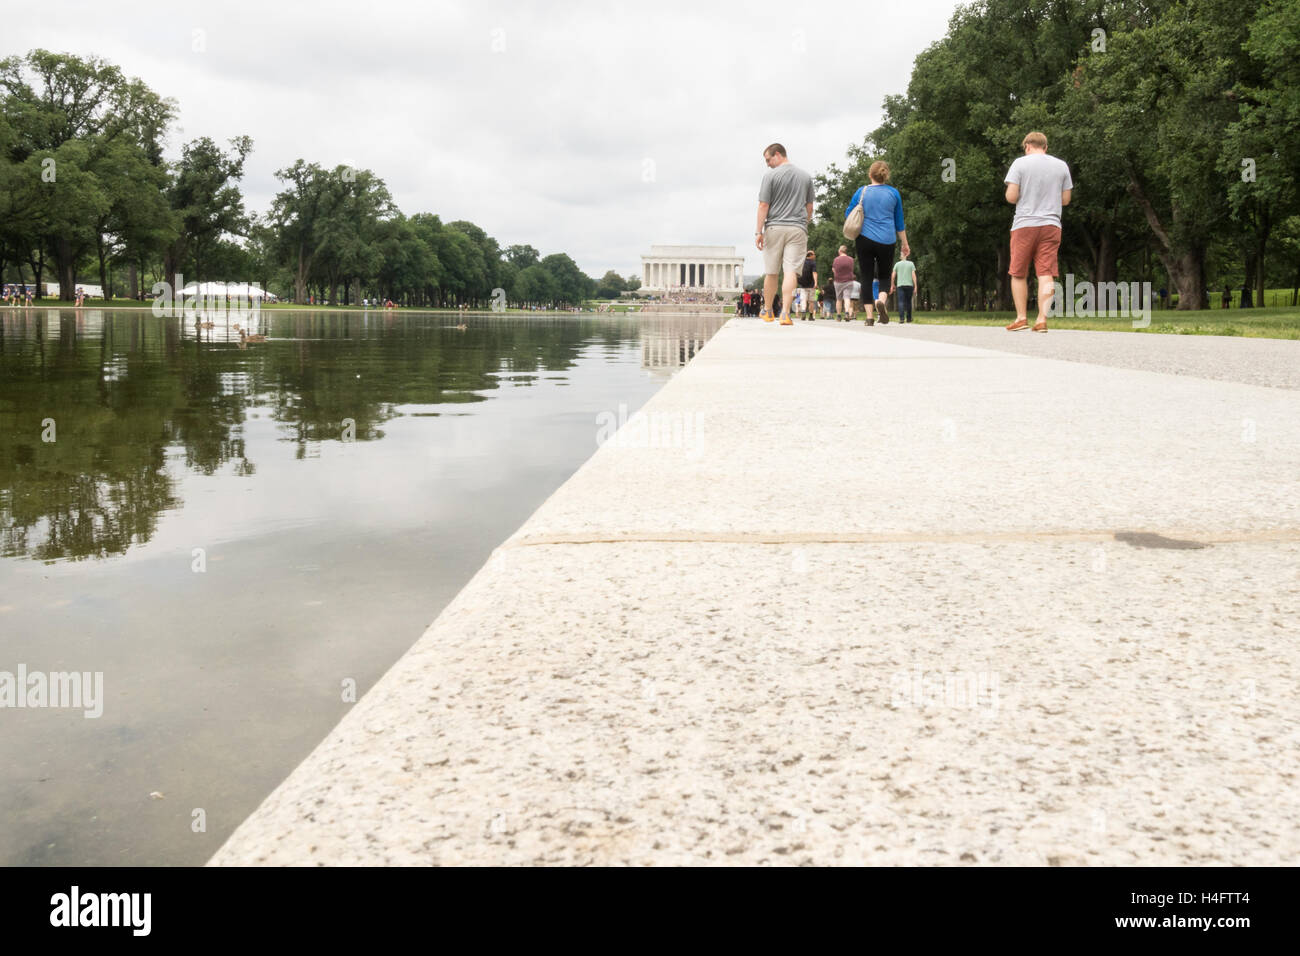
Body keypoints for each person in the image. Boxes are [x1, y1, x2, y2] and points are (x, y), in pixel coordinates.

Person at [1003, 131, 1072, 332]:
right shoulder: (1061, 166)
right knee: (1046, 272)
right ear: (1045, 147)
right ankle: (1042, 318)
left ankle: (1021, 317)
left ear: (1027, 146)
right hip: (1051, 225)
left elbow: (1012, 196)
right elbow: (1066, 200)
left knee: (1018, 272)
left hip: (1024, 224)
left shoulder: (1020, 164)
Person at [756, 143, 815, 326]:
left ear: (778, 154)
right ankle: (785, 313)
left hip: (774, 227)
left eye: (768, 160)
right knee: (791, 272)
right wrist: (802, 224)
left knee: (772, 272)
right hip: (797, 228)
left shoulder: (770, 176)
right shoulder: (805, 176)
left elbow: (763, 205)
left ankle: (767, 310)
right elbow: (810, 207)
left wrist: (758, 231)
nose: (767, 164)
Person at [845, 160, 909, 325]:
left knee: (866, 276)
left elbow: (848, 213)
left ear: (870, 175)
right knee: (884, 276)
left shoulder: (862, 191)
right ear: (885, 175)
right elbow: (899, 222)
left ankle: (869, 317)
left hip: (864, 239)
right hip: (887, 240)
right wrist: (905, 244)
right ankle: (881, 299)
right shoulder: (894, 193)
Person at [891, 252, 917, 322]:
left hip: (900, 285)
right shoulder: (911, 263)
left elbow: (893, 275)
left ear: (901, 256)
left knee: (901, 302)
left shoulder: (897, 264)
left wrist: (892, 284)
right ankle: (909, 318)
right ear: (906, 255)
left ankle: (901, 319)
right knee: (908, 302)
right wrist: (916, 286)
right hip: (909, 285)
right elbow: (913, 275)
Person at [831, 245, 855, 320]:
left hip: (838, 281)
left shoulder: (836, 259)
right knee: (847, 298)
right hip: (849, 280)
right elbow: (851, 269)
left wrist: (836, 274)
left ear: (840, 251)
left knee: (839, 299)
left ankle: (838, 316)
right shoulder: (851, 259)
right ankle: (847, 313)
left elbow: (833, 269)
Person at [796, 250, 818, 320]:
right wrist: (816, 282)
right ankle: (811, 316)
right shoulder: (813, 263)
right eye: (814, 254)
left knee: (803, 300)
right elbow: (814, 273)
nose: (815, 256)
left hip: (803, 285)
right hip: (811, 285)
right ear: (810, 255)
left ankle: (803, 313)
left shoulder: (802, 262)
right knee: (811, 301)